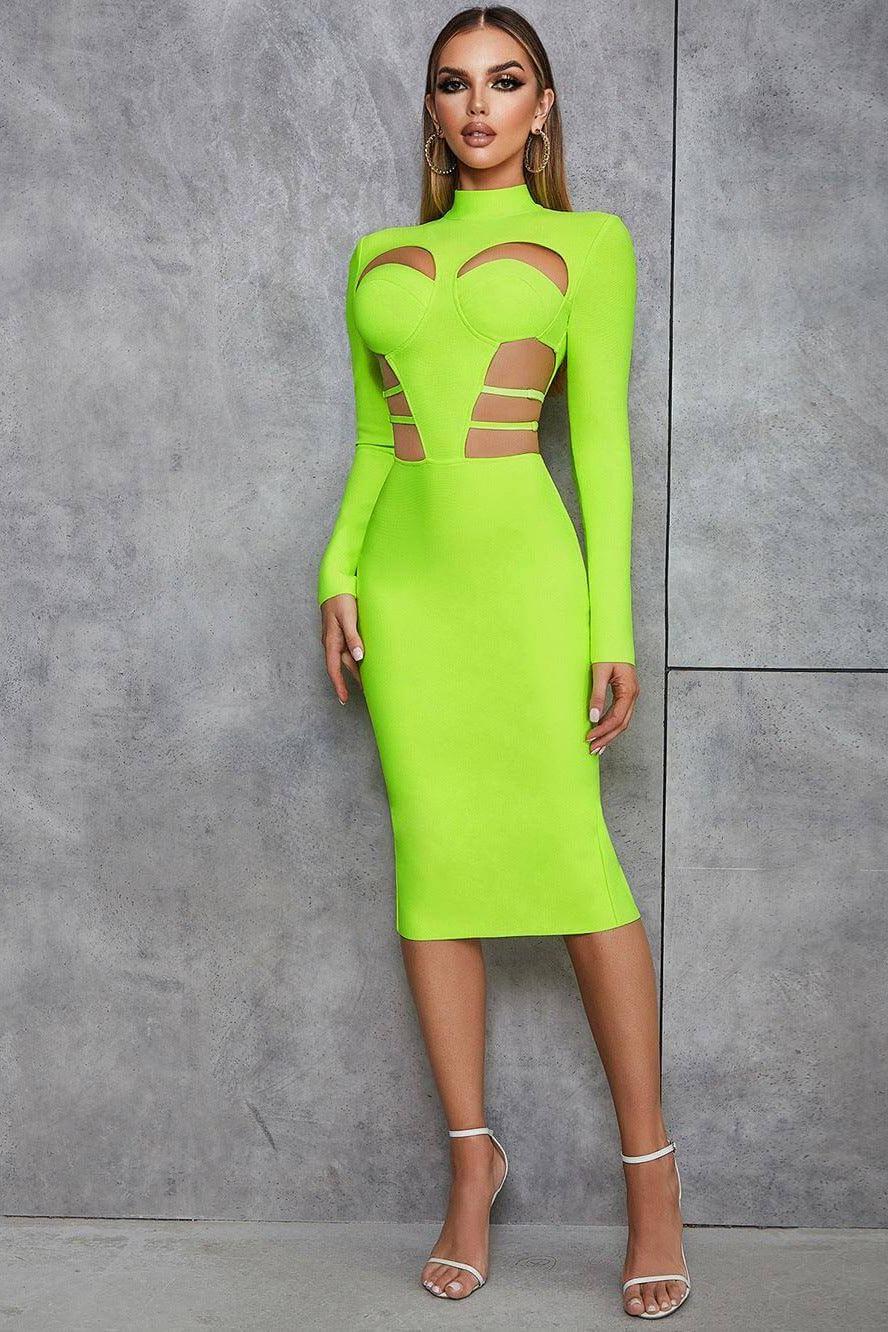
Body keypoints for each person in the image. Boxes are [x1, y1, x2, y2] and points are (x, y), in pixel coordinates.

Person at [317, 6, 690, 1319]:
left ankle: (653, 1181)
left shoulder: (593, 244)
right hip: (407, 596)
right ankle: (472, 1168)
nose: (478, 105)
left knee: (579, 868)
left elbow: (604, 448)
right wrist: (337, 571)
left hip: (529, 589)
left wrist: (612, 632)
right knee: (432, 869)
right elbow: (376, 442)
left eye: (505, 81)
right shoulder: (377, 255)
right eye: (453, 84)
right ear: (432, 108)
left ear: (542, 105)